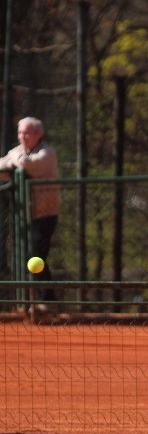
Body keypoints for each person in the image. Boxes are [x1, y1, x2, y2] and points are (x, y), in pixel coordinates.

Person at [0, 117, 60, 304]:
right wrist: (14, 162)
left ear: (38, 134)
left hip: (46, 213)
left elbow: (29, 165)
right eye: (20, 132)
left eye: (27, 132)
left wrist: (13, 162)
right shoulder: (18, 152)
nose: (22, 136)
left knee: (35, 254)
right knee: (28, 256)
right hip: (23, 215)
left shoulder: (48, 153)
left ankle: (47, 300)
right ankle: (41, 300)